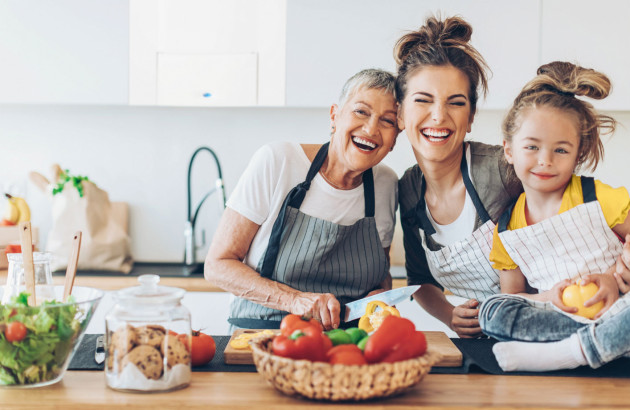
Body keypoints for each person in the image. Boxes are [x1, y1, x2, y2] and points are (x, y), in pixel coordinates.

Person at [204, 69, 400, 330]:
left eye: (387, 121)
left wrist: (381, 295)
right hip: (263, 334)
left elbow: (381, 272)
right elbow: (217, 265)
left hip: (350, 343)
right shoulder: (278, 161)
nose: (371, 128)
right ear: (334, 115)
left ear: (395, 139)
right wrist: (294, 300)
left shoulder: (386, 184)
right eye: (361, 112)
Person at [478, 61, 630, 372]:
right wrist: (550, 297)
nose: (545, 161)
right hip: (558, 317)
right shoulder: (506, 230)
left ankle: (569, 353)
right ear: (509, 150)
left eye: (561, 150)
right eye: (532, 146)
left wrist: (615, 281)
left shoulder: (599, 197)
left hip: (619, 307)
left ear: (579, 153)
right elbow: (515, 296)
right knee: (492, 311)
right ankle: (607, 344)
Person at [395, 16, 522, 338]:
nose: (438, 115)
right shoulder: (408, 189)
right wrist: (452, 316)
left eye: (456, 102)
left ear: (471, 118)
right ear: (399, 113)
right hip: (488, 340)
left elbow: (585, 209)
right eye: (423, 100)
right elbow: (420, 280)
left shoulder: (503, 168)